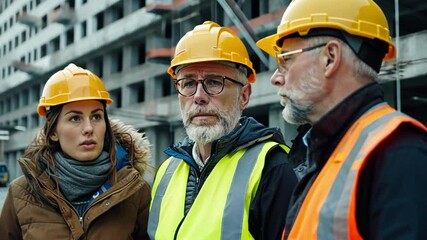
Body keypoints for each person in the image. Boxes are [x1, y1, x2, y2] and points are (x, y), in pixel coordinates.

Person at [256, 0, 427, 239]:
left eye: (285, 59)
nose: (275, 78)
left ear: (330, 57)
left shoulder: (399, 154)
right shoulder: (326, 150)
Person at [147, 21, 298, 240]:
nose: (199, 96)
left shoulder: (272, 168)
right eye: (189, 83)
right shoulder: (166, 171)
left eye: (214, 82)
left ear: (244, 96)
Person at [0, 64, 152, 239]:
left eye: (96, 116)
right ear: (54, 132)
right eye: (75, 118)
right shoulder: (20, 193)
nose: (88, 128)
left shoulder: (135, 190)